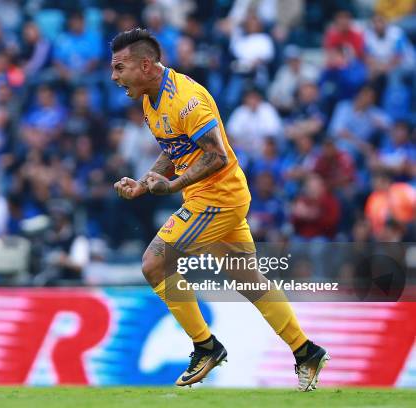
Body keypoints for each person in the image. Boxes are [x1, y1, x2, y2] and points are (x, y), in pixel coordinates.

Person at [110, 28, 329, 390]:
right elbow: (177, 147)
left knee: (154, 263)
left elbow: (216, 153)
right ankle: (306, 351)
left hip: (217, 197)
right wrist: (146, 180)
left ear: (145, 65)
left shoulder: (187, 99)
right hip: (211, 197)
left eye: (120, 68)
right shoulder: (151, 99)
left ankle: (205, 346)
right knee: (250, 281)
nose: (114, 77)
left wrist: (173, 186)